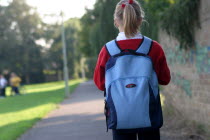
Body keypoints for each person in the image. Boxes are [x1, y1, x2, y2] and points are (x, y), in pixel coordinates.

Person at [93, 0, 171, 140]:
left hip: (119, 116)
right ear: (140, 20)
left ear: (116, 21)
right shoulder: (153, 48)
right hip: (149, 115)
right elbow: (165, 79)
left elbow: (100, 84)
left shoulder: (107, 50)